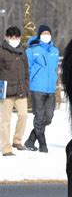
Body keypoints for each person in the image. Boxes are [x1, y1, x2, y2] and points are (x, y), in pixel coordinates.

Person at [24, 25, 59, 153]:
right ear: (39, 35)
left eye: (48, 33)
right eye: (44, 33)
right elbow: (27, 69)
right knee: (39, 117)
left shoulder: (55, 51)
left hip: (50, 89)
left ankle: (30, 140)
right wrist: (27, 85)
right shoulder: (32, 50)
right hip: (37, 87)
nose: (46, 35)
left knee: (48, 117)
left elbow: (55, 68)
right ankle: (43, 145)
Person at [0, 26, 29, 156]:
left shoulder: (22, 51)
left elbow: (26, 71)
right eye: (12, 37)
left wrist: (26, 86)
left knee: (23, 115)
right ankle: (6, 148)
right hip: (6, 92)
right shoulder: (1, 51)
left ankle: (17, 140)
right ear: (7, 37)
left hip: (20, 91)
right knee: (5, 120)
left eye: (17, 37)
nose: (14, 39)